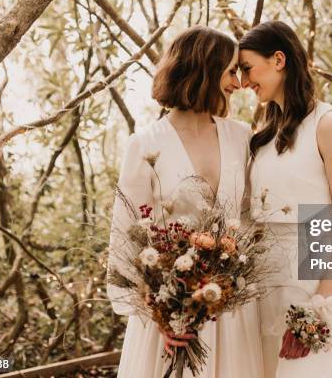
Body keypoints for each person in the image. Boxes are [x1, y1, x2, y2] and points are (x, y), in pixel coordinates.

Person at [107, 26, 264, 377]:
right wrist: (161, 312)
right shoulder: (145, 144)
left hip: (230, 311)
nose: (238, 83)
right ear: (204, 70)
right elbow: (127, 236)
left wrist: (233, 281)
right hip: (168, 314)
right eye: (230, 72)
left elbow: (250, 219)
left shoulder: (240, 137)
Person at [239, 20, 332, 377]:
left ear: (278, 59)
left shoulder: (329, 124)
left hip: (311, 282)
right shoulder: (261, 138)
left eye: (247, 68)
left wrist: (317, 311)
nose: (244, 82)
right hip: (261, 285)